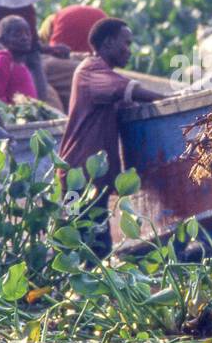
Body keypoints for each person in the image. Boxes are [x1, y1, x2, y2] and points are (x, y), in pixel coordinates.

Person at [57, 18, 162, 256]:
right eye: (126, 43)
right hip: (79, 175)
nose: (129, 50)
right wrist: (167, 98)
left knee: (95, 238)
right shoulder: (90, 70)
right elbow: (128, 89)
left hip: (93, 177)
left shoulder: (100, 73)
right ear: (108, 43)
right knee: (82, 239)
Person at [0, 15, 39, 104]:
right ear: (3, 40)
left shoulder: (20, 63)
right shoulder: (3, 61)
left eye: (28, 33)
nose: (25, 38)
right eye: (17, 34)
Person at [43, 4, 107, 55]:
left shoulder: (59, 22)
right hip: (103, 21)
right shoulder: (63, 14)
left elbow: (55, 53)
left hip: (69, 20)